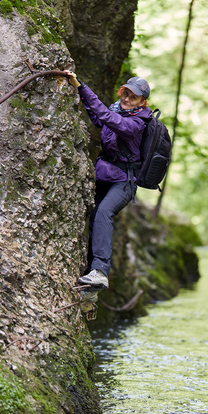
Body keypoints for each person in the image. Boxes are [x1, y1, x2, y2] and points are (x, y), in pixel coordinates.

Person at [65, 70, 152, 289]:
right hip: (107, 173)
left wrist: (81, 86)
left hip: (125, 180)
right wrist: (79, 91)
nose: (126, 99)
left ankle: (100, 272)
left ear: (142, 102)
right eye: (125, 93)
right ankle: (89, 282)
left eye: (133, 97)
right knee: (94, 215)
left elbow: (104, 116)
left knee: (104, 212)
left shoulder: (137, 124)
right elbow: (98, 118)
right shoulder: (116, 110)